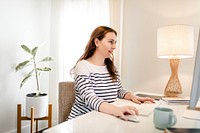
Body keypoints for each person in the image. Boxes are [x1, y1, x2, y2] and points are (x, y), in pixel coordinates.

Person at [68, 26, 154, 121]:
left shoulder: (111, 67)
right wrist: (117, 110)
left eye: (115, 43)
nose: (114, 46)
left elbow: (118, 91)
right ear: (97, 42)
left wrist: (132, 97)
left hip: (104, 118)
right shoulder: (83, 66)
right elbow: (89, 97)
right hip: (82, 120)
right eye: (110, 42)